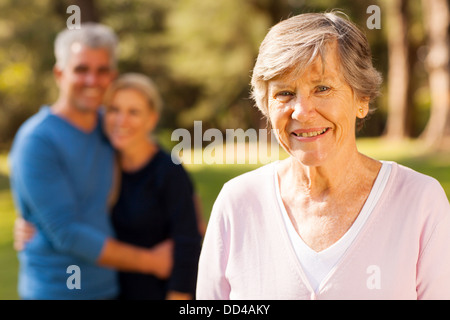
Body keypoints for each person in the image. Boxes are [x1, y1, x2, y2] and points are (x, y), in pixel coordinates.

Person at [196, 12, 450, 300]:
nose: (302, 111)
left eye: (323, 88)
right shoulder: (237, 202)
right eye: (285, 93)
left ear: (362, 99)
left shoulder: (421, 202)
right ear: (266, 105)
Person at [9, 23, 172, 300]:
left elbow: (159, 170)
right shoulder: (37, 140)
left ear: (114, 76)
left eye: (102, 70)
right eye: (81, 69)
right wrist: (151, 261)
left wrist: (190, 218)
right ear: (60, 74)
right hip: (57, 292)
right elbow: (67, 233)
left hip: (112, 286)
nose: (92, 80)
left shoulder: (111, 127)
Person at [102, 73, 202, 300]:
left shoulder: (169, 171)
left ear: (152, 119)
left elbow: (188, 244)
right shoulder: (103, 166)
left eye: (133, 112)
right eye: (114, 110)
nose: (121, 120)